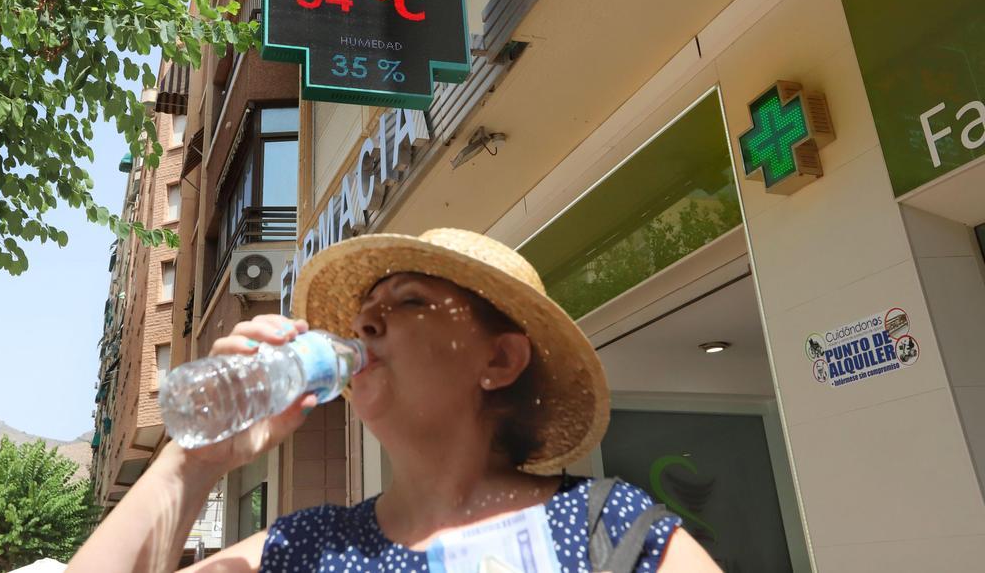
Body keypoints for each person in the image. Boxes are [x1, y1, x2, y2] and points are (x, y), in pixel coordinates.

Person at [68, 229, 720, 572]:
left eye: (408, 301)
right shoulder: (305, 549)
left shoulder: (603, 528)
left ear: (498, 359)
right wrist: (194, 460)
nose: (366, 325)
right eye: (364, 312)